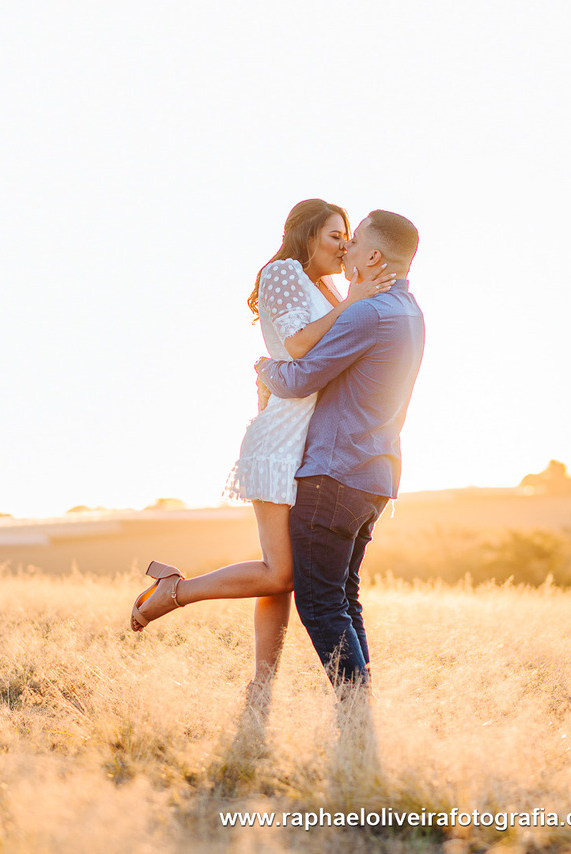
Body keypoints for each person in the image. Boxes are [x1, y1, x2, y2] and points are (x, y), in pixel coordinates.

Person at [128, 199, 395, 713]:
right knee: (280, 575)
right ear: (307, 234)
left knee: (285, 576)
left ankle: (260, 690)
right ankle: (174, 589)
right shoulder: (282, 272)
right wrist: (354, 301)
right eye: (335, 234)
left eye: (348, 236)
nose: (344, 245)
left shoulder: (328, 287)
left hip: (311, 443)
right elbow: (295, 348)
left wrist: (352, 298)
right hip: (281, 441)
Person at [256, 209, 424, 695]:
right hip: (374, 475)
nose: (346, 249)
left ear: (373, 256)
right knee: (344, 601)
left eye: (355, 242)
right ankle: (360, 714)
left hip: (335, 474)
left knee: (321, 604)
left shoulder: (368, 312)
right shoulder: (409, 312)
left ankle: (354, 714)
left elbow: (301, 376)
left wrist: (263, 366)